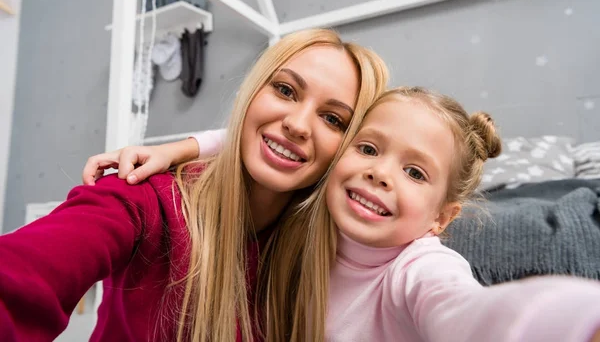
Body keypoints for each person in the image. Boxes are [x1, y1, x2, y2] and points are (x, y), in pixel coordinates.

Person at [94, 86, 600, 341]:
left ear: (441, 220)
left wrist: (576, 321)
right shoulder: (311, 208)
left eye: (415, 173)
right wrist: (180, 148)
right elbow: (262, 139)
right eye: (368, 149)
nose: (381, 174)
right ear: (337, 157)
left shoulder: (419, 268)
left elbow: (467, 313)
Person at [0, 28, 389, 342]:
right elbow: (19, 281)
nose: (298, 125)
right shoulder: (142, 197)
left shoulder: (332, 252)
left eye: (333, 119)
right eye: (285, 90)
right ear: (250, 95)